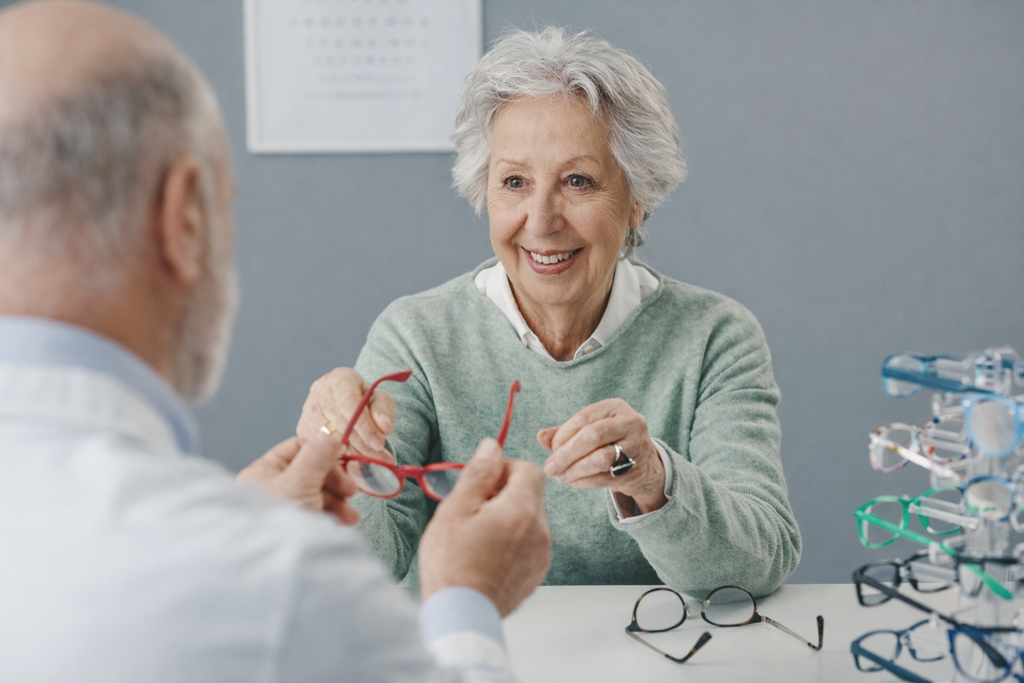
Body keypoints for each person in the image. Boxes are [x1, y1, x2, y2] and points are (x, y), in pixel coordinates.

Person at [0, 2, 551, 681]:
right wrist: (467, 598)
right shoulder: (274, 582)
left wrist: (245, 521)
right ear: (186, 220)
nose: (542, 218)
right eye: (228, 205)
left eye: (578, 180)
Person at [299, 27, 802, 599]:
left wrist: (653, 478)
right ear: (483, 192)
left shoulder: (715, 337)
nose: (541, 220)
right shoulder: (416, 335)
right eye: (514, 182)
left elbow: (760, 563)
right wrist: (339, 462)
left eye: (577, 181)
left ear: (637, 199)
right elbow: (370, 568)